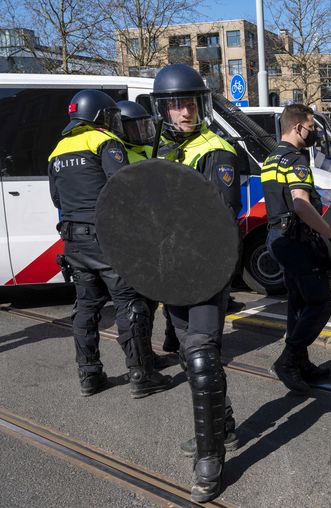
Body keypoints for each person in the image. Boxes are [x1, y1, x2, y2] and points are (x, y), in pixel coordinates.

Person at [151, 64, 241, 503]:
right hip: (171, 272)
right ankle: (222, 424)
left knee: (203, 358)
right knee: (189, 356)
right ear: (163, 109)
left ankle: (210, 459)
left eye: (188, 102)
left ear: (201, 104)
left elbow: (218, 225)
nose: (182, 111)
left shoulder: (216, 151)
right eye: (174, 104)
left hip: (204, 271)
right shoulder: (163, 153)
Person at [48, 89, 172, 399]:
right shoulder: (104, 141)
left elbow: (56, 199)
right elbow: (122, 187)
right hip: (108, 239)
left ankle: (89, 374)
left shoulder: (58, 150)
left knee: (85, 309)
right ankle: (142, 374)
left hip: (74, 242)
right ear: (99, 116)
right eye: (110, 116)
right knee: (129, 304)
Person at [263, 103, 331, 393]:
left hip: (277, 238)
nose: (312, 133)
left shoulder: (272, 158)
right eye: (311, 127)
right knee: (321, 303)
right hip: (295, 241)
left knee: (298, 304)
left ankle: (300, 362)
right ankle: (287, 361)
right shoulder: (296, 160)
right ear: (299, 127)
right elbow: (301, 204)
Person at [116, 100, 180, 357]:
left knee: (164, 294)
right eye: (136, 127)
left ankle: (170, 340)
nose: (143, 132)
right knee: (141, 304)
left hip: (161, 233)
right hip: (140, 239)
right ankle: (145, 355)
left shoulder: (148, 149)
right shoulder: (121, 156)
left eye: (145, 126)